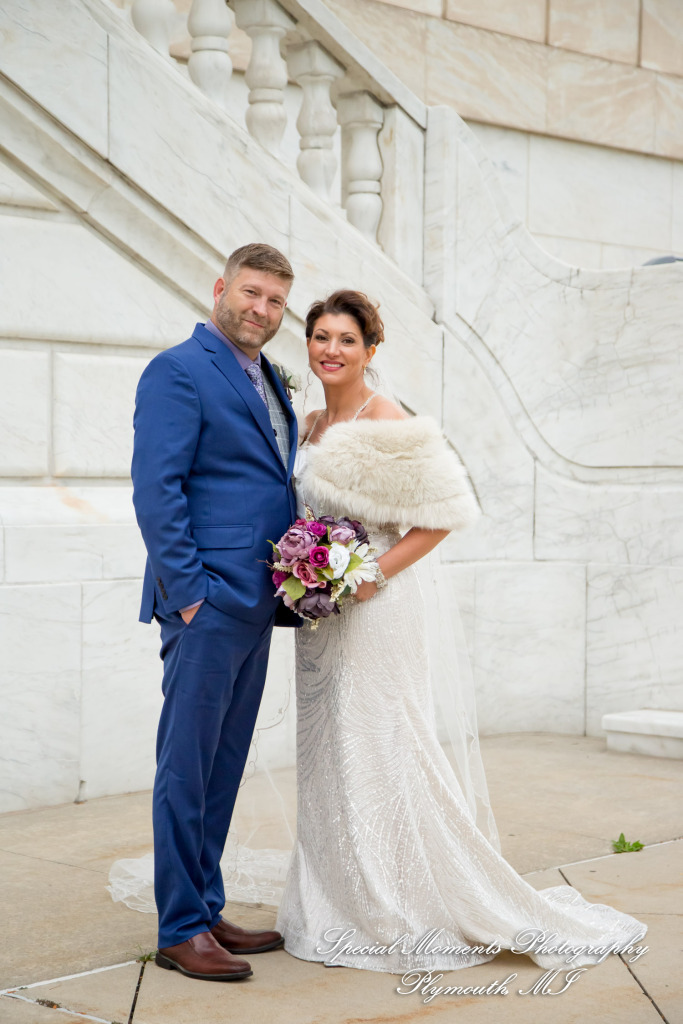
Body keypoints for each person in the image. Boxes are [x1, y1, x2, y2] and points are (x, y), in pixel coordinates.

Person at [275, 289, 647, 974]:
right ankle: (343, 892)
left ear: (370, 350)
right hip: (320, 619)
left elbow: (442, 516)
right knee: (330, 752)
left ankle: (403, 899)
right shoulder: (303, 425)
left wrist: (368, 576)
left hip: (377, 610)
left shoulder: (386, 418)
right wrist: (306, 570)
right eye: (320, 337)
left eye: (346, 340)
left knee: (384, 746)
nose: (331, 350)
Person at [131, 242, 300, 982]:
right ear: (220, 288)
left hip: (258, 599)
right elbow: (156, 491)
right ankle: (178, 928)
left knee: (224, 764)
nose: (260, 310)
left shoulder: (268, 377)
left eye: (274, 301)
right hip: (207, 602)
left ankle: (206, 904)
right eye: (251, 293)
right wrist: (191, 594)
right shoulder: (178, 370)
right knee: (186, 765)